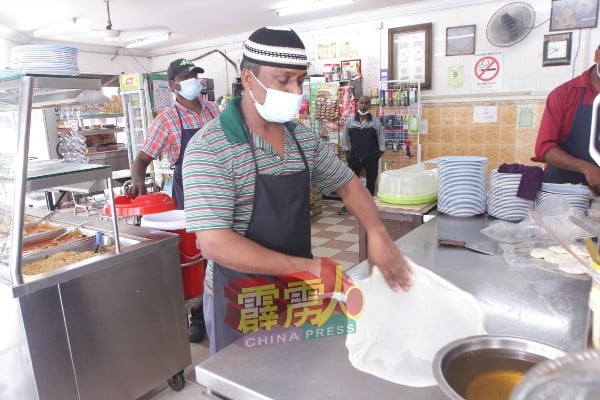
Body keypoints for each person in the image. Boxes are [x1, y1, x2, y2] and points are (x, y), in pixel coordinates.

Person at [182, 27, 413, 354]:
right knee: (246, 382)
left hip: (297, 290)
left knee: (297, 372)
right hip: (241, 298)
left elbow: (347, 184)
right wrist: (306, 268)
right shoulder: (210, 148)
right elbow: (215, 243)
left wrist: (377, 233)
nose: (295, 91)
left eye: (300, 81)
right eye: (283, 80)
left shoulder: (301, 139)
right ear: (248, 79)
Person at [127, 58, 220, 343]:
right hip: (189, 191)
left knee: (222, 245)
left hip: (220, 186)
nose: (193, 80)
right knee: (194, 252)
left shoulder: (215, 111)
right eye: (186, 76)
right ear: (173, 85)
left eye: (195, 75)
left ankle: (221, 302)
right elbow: (141, 160)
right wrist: (138, 181)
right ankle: (196, 314)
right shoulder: (166, 120)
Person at [532, 45, 600, 194]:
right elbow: (545, 149)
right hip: (562, 193)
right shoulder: (564, 94)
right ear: (598, 56)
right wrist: (587, 168)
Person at [338, 95, 385, 215]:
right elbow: (345, 138)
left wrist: (378, 153)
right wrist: (347, 151)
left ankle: (368, 206)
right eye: (361, 102)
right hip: (354, 157)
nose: (363, 105)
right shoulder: (350, 121)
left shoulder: (375, 122)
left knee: (370, 182)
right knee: (351, 182)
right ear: (358, 104)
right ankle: (348, 206)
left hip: (371, 157)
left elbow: (381, 139)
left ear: (370, 105)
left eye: (366, 103)